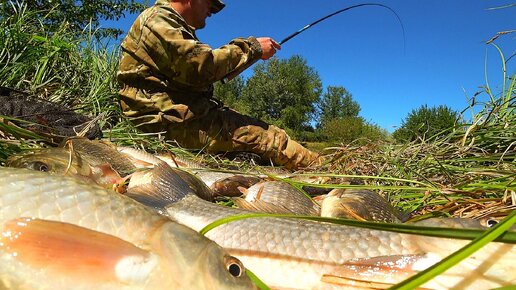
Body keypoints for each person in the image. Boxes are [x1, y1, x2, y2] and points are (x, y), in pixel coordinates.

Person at [117, 0, 321, 169]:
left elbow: (199, 74)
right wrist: (253, 47)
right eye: (209, 3)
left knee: (249, 124)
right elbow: (199, 67)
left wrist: (251, 55)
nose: (212, 12)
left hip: (174, 116)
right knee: (269, 138)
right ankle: (325, 171)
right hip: (163, 123)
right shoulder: (157, 19)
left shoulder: (170, 25)